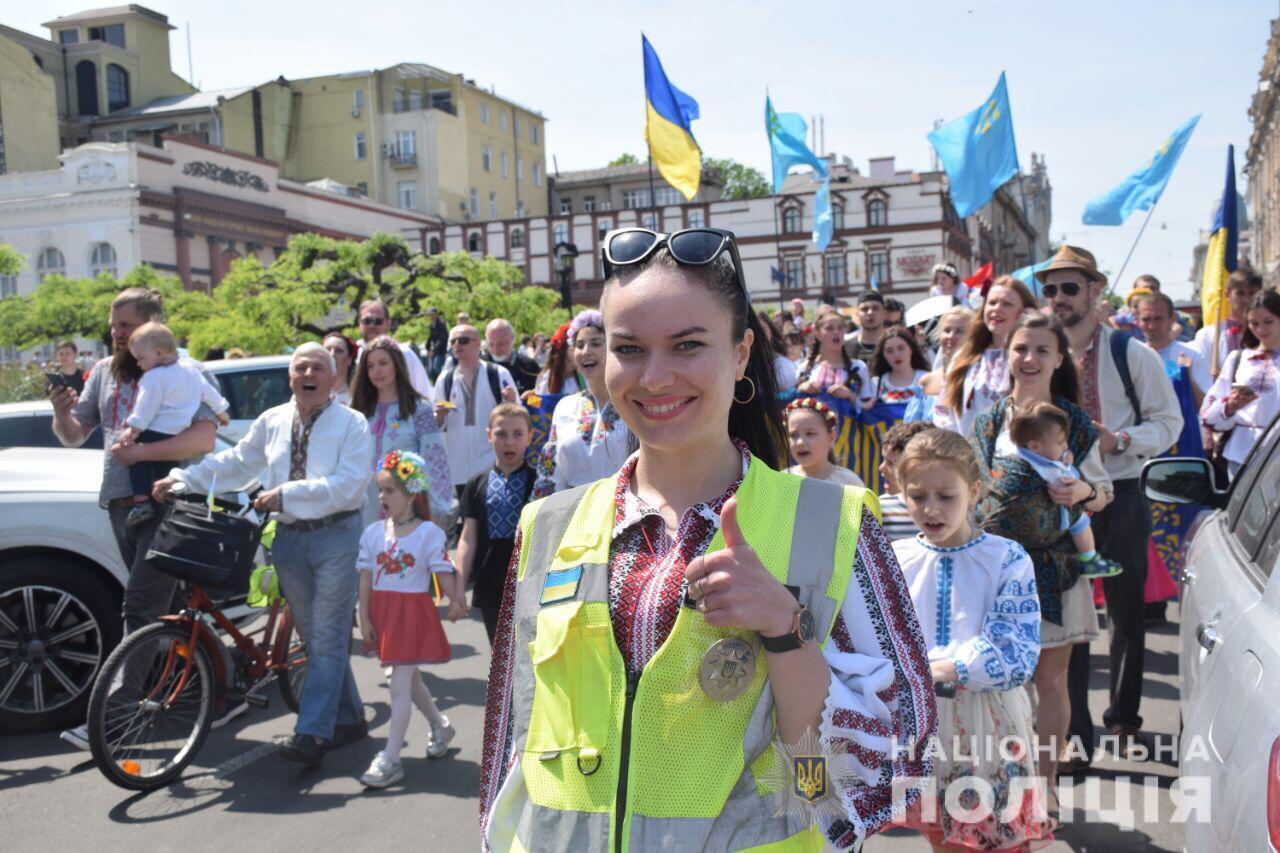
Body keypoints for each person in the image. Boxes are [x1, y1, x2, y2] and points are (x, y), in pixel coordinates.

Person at [479, 227, 936, 851]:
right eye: (629, 349)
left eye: (688, 345)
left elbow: (877, 774)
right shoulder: (549, 525)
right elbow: (513, 744)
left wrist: (785, 634)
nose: (655, 377)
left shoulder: (833, 524)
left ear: (743, 354)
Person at [155, 343, 374, 766]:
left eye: (317, 368)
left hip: (337, 538)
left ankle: (311, 733)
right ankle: (350, 718)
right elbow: (236, 464)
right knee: (317, 639)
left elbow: (350, 485)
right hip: (288, 542)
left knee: (326, 639)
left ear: (332, 379)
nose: (308, 374)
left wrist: (286, 495)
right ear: (290, 377)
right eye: (300, 367)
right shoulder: (272, 420)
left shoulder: (353, 423)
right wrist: (182, 479)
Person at [49, 288, 219, 751]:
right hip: (120, 504)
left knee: (140, 608)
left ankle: (113, 720)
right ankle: (227, 686)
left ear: (153, 325)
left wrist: (142, 451)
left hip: (170, 502)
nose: (117, 333)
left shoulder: (184, 371)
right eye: (114, 325)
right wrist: (61, 414)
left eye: (126, 325)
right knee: (171, 606)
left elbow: (204, 439)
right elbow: (75, 433)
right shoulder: (103, 371)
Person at [1038, 244, 1182, 769]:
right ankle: (1076, 737)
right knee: (1070, 621)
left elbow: (1170, 423)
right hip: (1059, 500)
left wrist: (1117, 440)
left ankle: (1123, 719)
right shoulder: (1043, 351)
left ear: (1096, 290)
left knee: (1125, 615)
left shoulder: (1129, 352)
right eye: (1050, 288)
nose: (1059, 297)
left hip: (1119, 492)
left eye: (1069, 287)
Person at [971, 312, 1114, 789]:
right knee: (1000, 684)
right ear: (1007, 355)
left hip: (1057, 569)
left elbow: (1104, 490)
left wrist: (1082, 495)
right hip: (995, 571)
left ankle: (1047, 786)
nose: (1029, 359)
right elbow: (970, 485)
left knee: (1050, 683)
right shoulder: (991, 418)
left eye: (1041, 351)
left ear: (1058, 360)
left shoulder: (1071, 422)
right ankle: (1005, 782)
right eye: (1021, 349)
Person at [892, 428, 1053, 850]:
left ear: (975, 490)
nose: (931, 508)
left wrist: (941, 668)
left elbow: (1015, 649)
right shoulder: (897, 559)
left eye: (946, 496)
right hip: (925, 723)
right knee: (943, 838)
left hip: (990, 720)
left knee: (998, 839)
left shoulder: (1006, 557)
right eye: (917, 495)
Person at [356, 450, 462, 788]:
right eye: (381, 490)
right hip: (385, 616)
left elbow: (442, 571)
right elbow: (364, 578)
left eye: (390, 490)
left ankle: (391, 758)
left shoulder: (428, 533)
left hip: (412, 617)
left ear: (411, 494)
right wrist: (364, 617)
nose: (382, 497)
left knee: (399, 685)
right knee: (409, 681)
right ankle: (441, 726)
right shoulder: (374, 533)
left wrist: (457, 598)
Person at [120, 322, 231, 526]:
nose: (139, 364)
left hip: (154, 429)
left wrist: (132, 430)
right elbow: (210, 394)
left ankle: (141, 502)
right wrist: (222, 413)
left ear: (158, 352)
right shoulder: (191, 370)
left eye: (141, 359)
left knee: (137, 461)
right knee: (167, 467)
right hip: (177, 433)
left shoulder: (153, 376)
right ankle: (169, 500)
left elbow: (146, 408)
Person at [1008, 403, 1123, 578]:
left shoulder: (1017, 452)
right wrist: (1076, 485)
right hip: (1055, 521)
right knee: (1081, 521)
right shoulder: (1046, 470)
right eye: (1061, 443)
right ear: (1034, 446)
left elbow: (1057, 454)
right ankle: (1089, 558)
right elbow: (1063, 483)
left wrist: (1065, 455)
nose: (1065, 447)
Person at [456, 403, 536, 642]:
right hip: (490, 583)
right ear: (489, 435)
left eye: (517, 434)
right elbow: (468, 537)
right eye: (501, 434)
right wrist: (459, 585)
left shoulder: (540, 481)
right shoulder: (477, 482)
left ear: (530, 437)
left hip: (528, 581)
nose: (509, 442)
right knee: (500, 653)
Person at [350, 336, 453, 521]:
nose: (376, 371)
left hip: (406, 506)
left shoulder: (418, 409)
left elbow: (435, 458)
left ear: (397, 365)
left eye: (383, 363)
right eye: (370, 366)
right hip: (364, 506)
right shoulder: (357, 411)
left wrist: (438, 508)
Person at [532, 310, 632, 497]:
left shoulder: (634, 404)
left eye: (595, 343)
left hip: (624, 512)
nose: (586, 351)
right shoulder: (565, 407)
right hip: (574, 514)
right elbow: (551, 473)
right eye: (579, 345)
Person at [934, 276, 1038, 437]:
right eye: (992, 303)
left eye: (1007, 304)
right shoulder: (964, 356)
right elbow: (944, 409)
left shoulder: (1031, 358)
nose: (997, 309)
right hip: (967, 455)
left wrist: (1033, 330)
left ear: (1023, 312)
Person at [1201, 290, 1280, 480]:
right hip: (1241, 457)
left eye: (1268, 322)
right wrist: (1230, 406)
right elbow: (1208, 414)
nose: (1261, 330)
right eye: (1254, 323)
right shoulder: (1237, 358)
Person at [434, 324, 517, 499]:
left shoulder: (498, 373)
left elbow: (519, 415)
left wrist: (511, 403)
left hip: (493, 462)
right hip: (458, 465)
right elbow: (437, 425)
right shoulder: (445, 380)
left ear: (478, 344)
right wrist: (439, 417)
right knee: (467, 520)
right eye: (453, 341)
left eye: (463, 340)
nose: (457, 345)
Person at [1136, 292, 1211, 404]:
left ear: (1172, 319)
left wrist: (1187, 378)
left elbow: (1206, 408)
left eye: (1158, 319)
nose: (1152, 326)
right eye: (1146, 319)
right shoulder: (1132, 355)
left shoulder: (1192, 355)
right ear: (1138, 320)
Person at [356, 298, 433, 400]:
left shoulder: (404, 353)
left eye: (378, 321)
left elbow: (425, 394)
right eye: (366, 321)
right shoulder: (351, 355)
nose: (372, 325)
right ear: (359, 324)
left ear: (388, 324)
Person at [797, 311, 874, 410]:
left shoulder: (858, 367)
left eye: (840, 327)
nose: (836, 332)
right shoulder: (806, 368)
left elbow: (867, 410)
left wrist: (850, 396)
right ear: (818, 334)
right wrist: (801, 389)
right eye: (829, 328)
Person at [877, 420, 936, 542]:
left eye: (891, 463)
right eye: (884, 460)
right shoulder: (880, 508)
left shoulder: (947, 510)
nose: (881, 467)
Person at [784, 397, 864, 486]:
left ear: (831, 438)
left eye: (810, 434)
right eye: (793, 435)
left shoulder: (849, 482)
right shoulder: (782, 481)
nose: (800, 442)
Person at [1193, 270, 1262, 371]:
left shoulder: (1271, 332)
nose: (1246, 300)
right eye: (1240, 293)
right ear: (1227, 295)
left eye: (1252, 293)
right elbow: (1202, 377)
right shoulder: (1208, 335)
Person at [868, 327, 931, 403]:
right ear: (883, 355)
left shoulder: (927, 379)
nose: (896, 355)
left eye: (901, 348)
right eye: (889, 351)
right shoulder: (877, 383)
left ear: (911, 349)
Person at [483, 318, 541, 394]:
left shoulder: (529, 366)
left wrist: (523, 401)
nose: (496, 350)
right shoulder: (479, 366)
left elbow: (539, 398)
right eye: (491, 344)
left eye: (501, 344)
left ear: (512, 338)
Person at [533, 322, 580, 396]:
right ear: (567, 351)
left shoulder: (583, 375)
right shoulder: (548, 378)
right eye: (579, 346)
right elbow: (543, 404)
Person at [843, 290, 888, 363]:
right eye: (864, 309)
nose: (870, 313)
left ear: (884, 313)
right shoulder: (845, 348)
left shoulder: (894, 345)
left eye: (875, 308)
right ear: (857, 314)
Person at [323, 332, 358, 406]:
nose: (332, 354)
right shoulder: (309, 393)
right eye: (327, 349)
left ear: (349, 359)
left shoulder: (358, 396)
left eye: (339, 351)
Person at [426, 307, 449, 381]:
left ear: (436, 314)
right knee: (431, 371)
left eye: (432, 314)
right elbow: (430, 337)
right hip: (434, 351)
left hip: (441, 351)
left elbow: (441, 339)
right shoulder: (431, 325)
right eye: (429, 315)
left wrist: (433, 350)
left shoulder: (441, 324)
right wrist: (428, 348)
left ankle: (443, 383)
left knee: (437, 368)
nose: (431, 316)